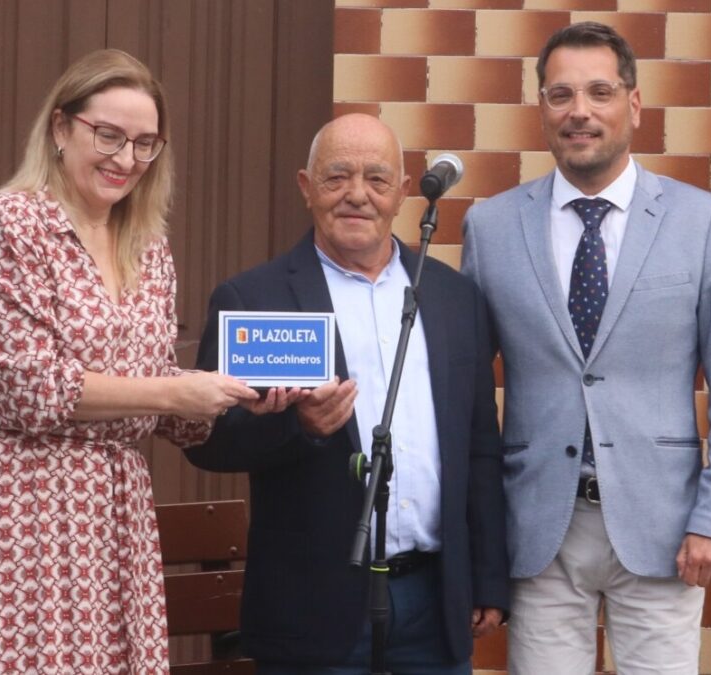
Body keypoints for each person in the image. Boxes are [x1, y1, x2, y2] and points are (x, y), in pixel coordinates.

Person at [0, 49, 262, 673]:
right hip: (22, 502)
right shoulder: (10, 223)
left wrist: (235, 393)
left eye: (145, 143)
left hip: (116, 510)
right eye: (108, 136)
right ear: (61, 128)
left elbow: (162, 397)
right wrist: (172, 394)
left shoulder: (149, 244)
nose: (126, 159)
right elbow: (37, 387)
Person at [460, 22, 711, 674]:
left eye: (599, 92)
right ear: (541, 107)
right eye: (561, 94)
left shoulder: (703, 221)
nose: (580, 111)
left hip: (664, 528)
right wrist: (477, 538)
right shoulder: (490, 226)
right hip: (540, 528)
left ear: (634, 104)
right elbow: (466, 396)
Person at [184, 113, 509, 674]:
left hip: (435, 597)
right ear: (307, 188)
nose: (357, 195)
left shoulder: (454, 299)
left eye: (377, 180)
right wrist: (298, 427)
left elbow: (478, 443)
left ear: (404, 193)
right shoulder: (256, 299)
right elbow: (209, 440)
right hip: (314, 606)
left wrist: (486, 575)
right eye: (337, 178)